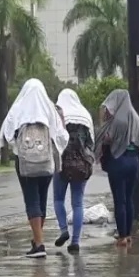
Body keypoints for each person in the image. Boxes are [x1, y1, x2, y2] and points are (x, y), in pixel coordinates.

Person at [1, 79, 69, 258]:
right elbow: (63, 136)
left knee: (31, 199)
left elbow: (6, 132)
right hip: (46, 162)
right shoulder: (49, 109)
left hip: (25, 163)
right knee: (41, 199)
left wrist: (17, 145)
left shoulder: (18, 108)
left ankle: (39, 244)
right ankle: (36, 238)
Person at [94, 89, 139, 247]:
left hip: (119, 160)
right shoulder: (135, 117)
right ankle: (128, 234)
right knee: (129, 198)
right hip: (134, 160)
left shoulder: (117, 120)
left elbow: (107, 138)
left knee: (119, 200)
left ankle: (122, 236)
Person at [53, 89, 95, 253]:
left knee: (58, 199)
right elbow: (91, 142)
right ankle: (75, 241)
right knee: (77, 203)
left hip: (61, 164)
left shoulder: (57, 113)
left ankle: (64, 230)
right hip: (81, 164)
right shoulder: (84, 115)